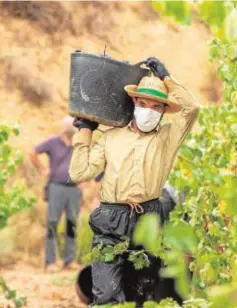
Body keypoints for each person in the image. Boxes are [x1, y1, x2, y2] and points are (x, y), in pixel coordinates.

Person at [69, 57, 200, 306]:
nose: (148, 111)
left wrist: (167, 79)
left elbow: (191, 109)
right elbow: (79, 173)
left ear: (163, 111)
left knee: (143, 292)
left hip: (148, 220)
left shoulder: (168, 138)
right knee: (106, 294)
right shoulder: (111, 138)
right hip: (111, 219)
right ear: (134, 103)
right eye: (143, 103)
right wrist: (85, 130)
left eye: (156, 107)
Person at [30, 116, 81, 273]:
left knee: (72, 225)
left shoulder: (78, 144)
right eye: (72, 127)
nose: (74, 130)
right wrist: (43, 170)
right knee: (52, 224)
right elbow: (33, 152)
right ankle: (50, 262)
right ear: (65, 129)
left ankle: (69, 261)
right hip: (56, 187)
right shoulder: (53, 142)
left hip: (74, 188)